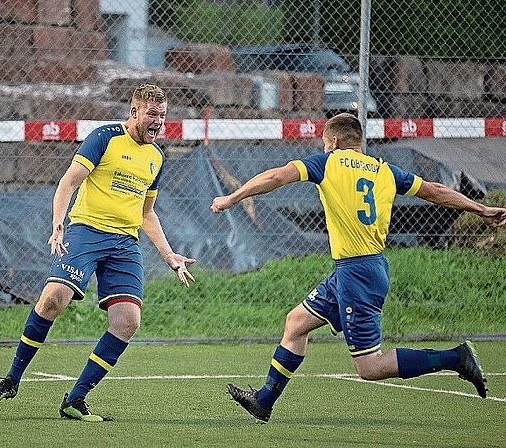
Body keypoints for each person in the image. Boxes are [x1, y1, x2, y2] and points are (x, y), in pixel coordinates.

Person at [210, 112, 506, 423]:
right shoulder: (384, 170)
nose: (324, 149)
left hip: (357, 274)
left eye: (325, 144)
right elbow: (436, 190)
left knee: (369, 367)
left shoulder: (328, 163)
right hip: (358, 269)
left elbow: (275, 177)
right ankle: (264, 401)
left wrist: (233, 197)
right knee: (296, 323)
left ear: (334, 143)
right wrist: (480, 208)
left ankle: (455, 358)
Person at [0, 83, 195, 421]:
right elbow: (69, 182)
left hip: (124, 245)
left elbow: (146, 212)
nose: (158, 122)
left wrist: (168, 254)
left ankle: (75, 399)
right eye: (152, 114)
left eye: (163, 116)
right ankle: (11, 379)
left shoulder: (156, 158)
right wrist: (58, 224)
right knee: (54, 299)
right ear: (134, 112)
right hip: (86, 232)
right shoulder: (105, 137)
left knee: (128, 321)